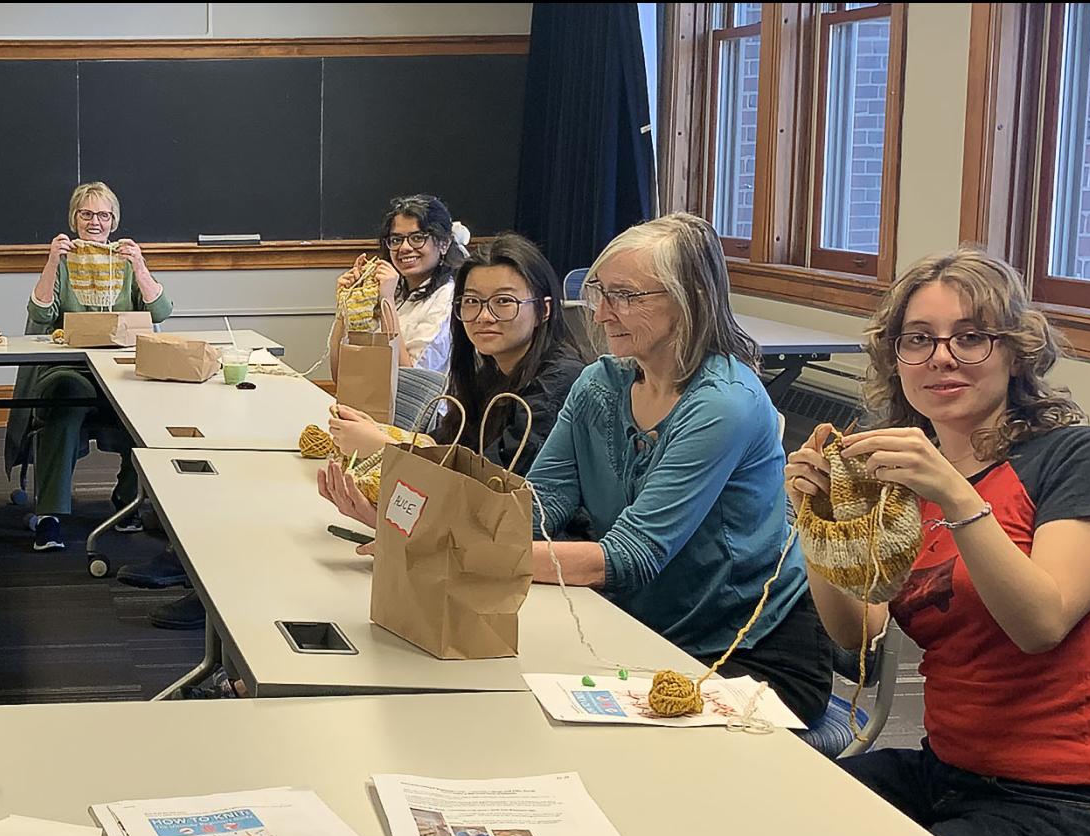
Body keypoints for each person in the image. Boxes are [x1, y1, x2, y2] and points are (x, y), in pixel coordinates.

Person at [333, 213, 829, 722]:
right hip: (650, 632)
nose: (602, 313)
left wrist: (454, 552)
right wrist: (414, 528)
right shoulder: (601, 383)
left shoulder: (724, 405)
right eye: (600, 293)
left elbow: (632, 557)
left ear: (690, 302)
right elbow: (535, 507)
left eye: (626, 296)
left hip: (746, 652)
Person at [787, 248, 1090, 836]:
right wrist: (818, 527)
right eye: (920, 339)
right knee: (781, 825)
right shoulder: (908, 480)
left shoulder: (1080, 457)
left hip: (1072, 807)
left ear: (1016, 351)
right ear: (896, 357)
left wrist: (956, 494)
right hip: (949, 774)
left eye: (970, 336)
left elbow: (1043, 621)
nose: (943, 357)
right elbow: (860, 631)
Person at [324, 231, 587, 468]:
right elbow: (449, 447)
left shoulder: (559, 381)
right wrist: (383, 433)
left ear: (544, 310)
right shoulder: (490, 372)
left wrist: (383, 448)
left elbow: (498, 477)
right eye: (472, 301)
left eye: (504, 301)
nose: (484, 316)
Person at [8, 181, 172, 552]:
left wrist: (141, 267)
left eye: (102, 215)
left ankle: (129, 502)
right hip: (69, 367)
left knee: (143, 402)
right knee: (64, 397)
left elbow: (160, 311)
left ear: (113, 221)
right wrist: (52, 262)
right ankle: (50, 514)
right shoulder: (64, 260)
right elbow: (41, 313)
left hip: (121, 369)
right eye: (86, 214)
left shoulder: (127, 262)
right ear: (74, 219)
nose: (94, 222)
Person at [328, 195, 471, 374]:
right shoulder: (394, 289)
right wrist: (346, 307)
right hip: (373, 400)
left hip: (422, 402)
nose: (404, 248)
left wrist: (386, 302)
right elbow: (340, 374)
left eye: (417, 238)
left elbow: (410, 383)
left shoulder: (448, 300)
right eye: (396, 240)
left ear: (444, 244)